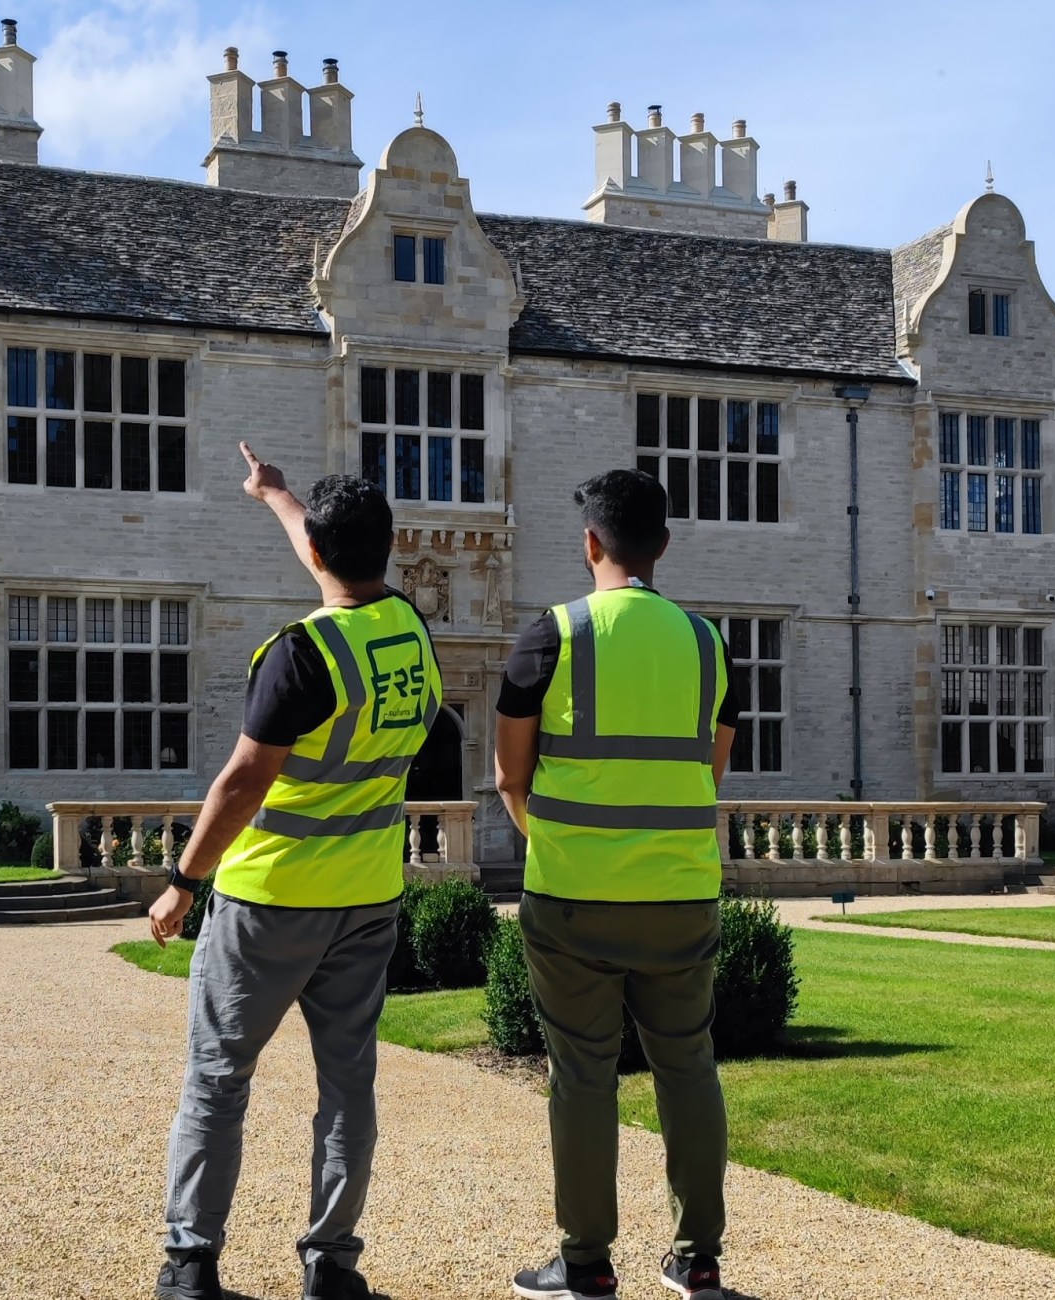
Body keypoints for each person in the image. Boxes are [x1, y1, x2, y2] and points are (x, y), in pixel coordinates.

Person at [149, 443, 442, 1300]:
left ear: (316, 551)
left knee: (218, 1079)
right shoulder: (412, 631)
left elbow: (242, 784)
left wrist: (183, 880)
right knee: (348, 1085)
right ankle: (331, 1263)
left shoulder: (300, 653)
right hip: (367, 897)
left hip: (270, 900)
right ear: (389, 548)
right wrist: (275, 495)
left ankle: (191, 1262)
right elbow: (329, 556)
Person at [494, 469, 739, 1300]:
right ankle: (697, 1259)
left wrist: (561, 845)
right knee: (689, 1067)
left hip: (574, 897)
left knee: (583, 1076)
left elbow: (510, 777)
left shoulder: (551, 636)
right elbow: (709, 770)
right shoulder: (709, 644)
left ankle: (587, 1262)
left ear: (589, 542)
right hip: (681, 893)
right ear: (663, 545)